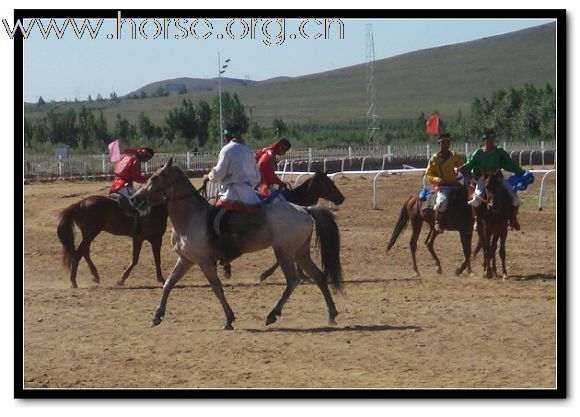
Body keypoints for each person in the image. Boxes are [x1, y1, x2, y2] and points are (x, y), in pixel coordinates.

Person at [459, 129, 527, 230]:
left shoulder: (499, 152)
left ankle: (513, 219)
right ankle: (477, 220)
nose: (490, 141)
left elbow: (509, 163)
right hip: (483, 179)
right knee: (476, 199)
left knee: (514, 197)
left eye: (492, 139)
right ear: (484, 140)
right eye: (488, 139)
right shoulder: (478, 153)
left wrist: (521, 172)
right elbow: (469, 164)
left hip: (498, 178)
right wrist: (462, 168)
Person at [203, 127, 261, 211]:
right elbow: (257, 178)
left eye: (224, 136)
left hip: (232, 196)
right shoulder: (249, 152)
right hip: (251, 198)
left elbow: (219, 172)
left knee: (213, 218)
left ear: (226, 136)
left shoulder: (227, 149)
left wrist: (209, 177)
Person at [424, 133, 465, 232]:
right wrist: (436, 179)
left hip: (456, 184)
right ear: (439, 144)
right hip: (443, 186)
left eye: (448, 143)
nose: (446, 145)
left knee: (469, 197)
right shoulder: (434, 159)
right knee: (443, 202)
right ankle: (438, 221)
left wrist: (462, 169)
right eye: (444, 143)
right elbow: (428, 174)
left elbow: (463, 166)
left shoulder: (454, 156)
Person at [109, 147, 155, 233]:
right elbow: (137, 178)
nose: (147, 161)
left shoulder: (127, 156)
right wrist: (148, 178)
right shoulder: (136, 161)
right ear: (144, 155)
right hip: (123, 186)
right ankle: (140, 227)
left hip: (116, 184)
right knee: (141, 202)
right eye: (148, 158)